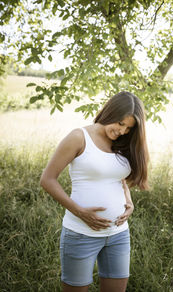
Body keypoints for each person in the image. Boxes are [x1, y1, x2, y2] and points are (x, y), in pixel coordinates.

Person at [40, 91, 149, 292]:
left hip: (118, 234)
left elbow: (119, 178)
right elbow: (47, 179)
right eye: (120, 123)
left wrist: (129, 201)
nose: (122, 131)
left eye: (128, 128)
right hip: (81, 234)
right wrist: (80, 212)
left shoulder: (122, 143)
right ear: (110, 112)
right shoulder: (78, 137)